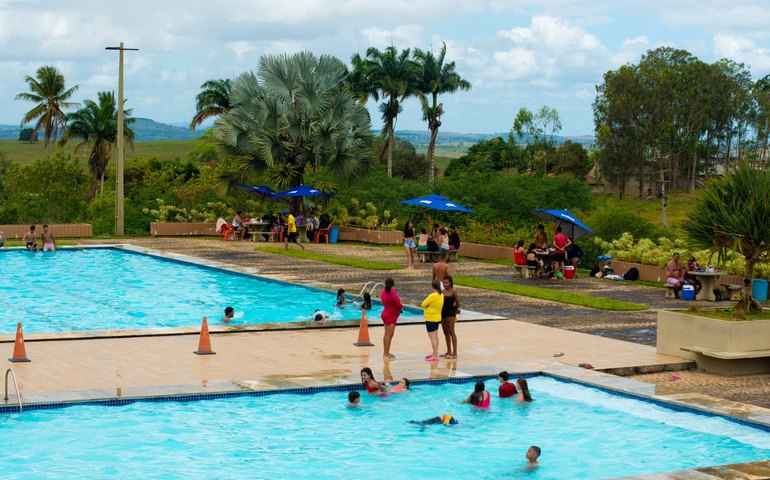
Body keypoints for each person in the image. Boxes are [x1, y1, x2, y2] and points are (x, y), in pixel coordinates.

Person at [421, 280, 444, 362]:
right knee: (436, 336)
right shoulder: (441, 295)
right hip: (437, 318)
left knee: (432, 338)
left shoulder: (433, 295)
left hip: (431, 318)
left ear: (433, 287)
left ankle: (435, 355)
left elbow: (423, 304)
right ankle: (435, 353)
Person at [380, 278, 402, 359]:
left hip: (385, 313)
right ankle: (386, 353)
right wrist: (400, 306)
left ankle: (385, 352)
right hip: (391, 315)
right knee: (389, 335)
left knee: (386, 334)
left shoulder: (383, 292)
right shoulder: (392, 292)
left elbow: (384, 301)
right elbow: (397, 303)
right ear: (393, 284)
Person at [440, 276, 460, 359]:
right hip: (443, 313)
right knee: (445, 332)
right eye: (444, 283)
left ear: (450, 283)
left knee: (452, 332)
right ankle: (448, 351)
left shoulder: (453, 292)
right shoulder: (442, 292)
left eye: (446, 282)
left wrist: (455, 309)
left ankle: (454, 352)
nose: (445, 284)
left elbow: (458, 303)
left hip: (451, 313)